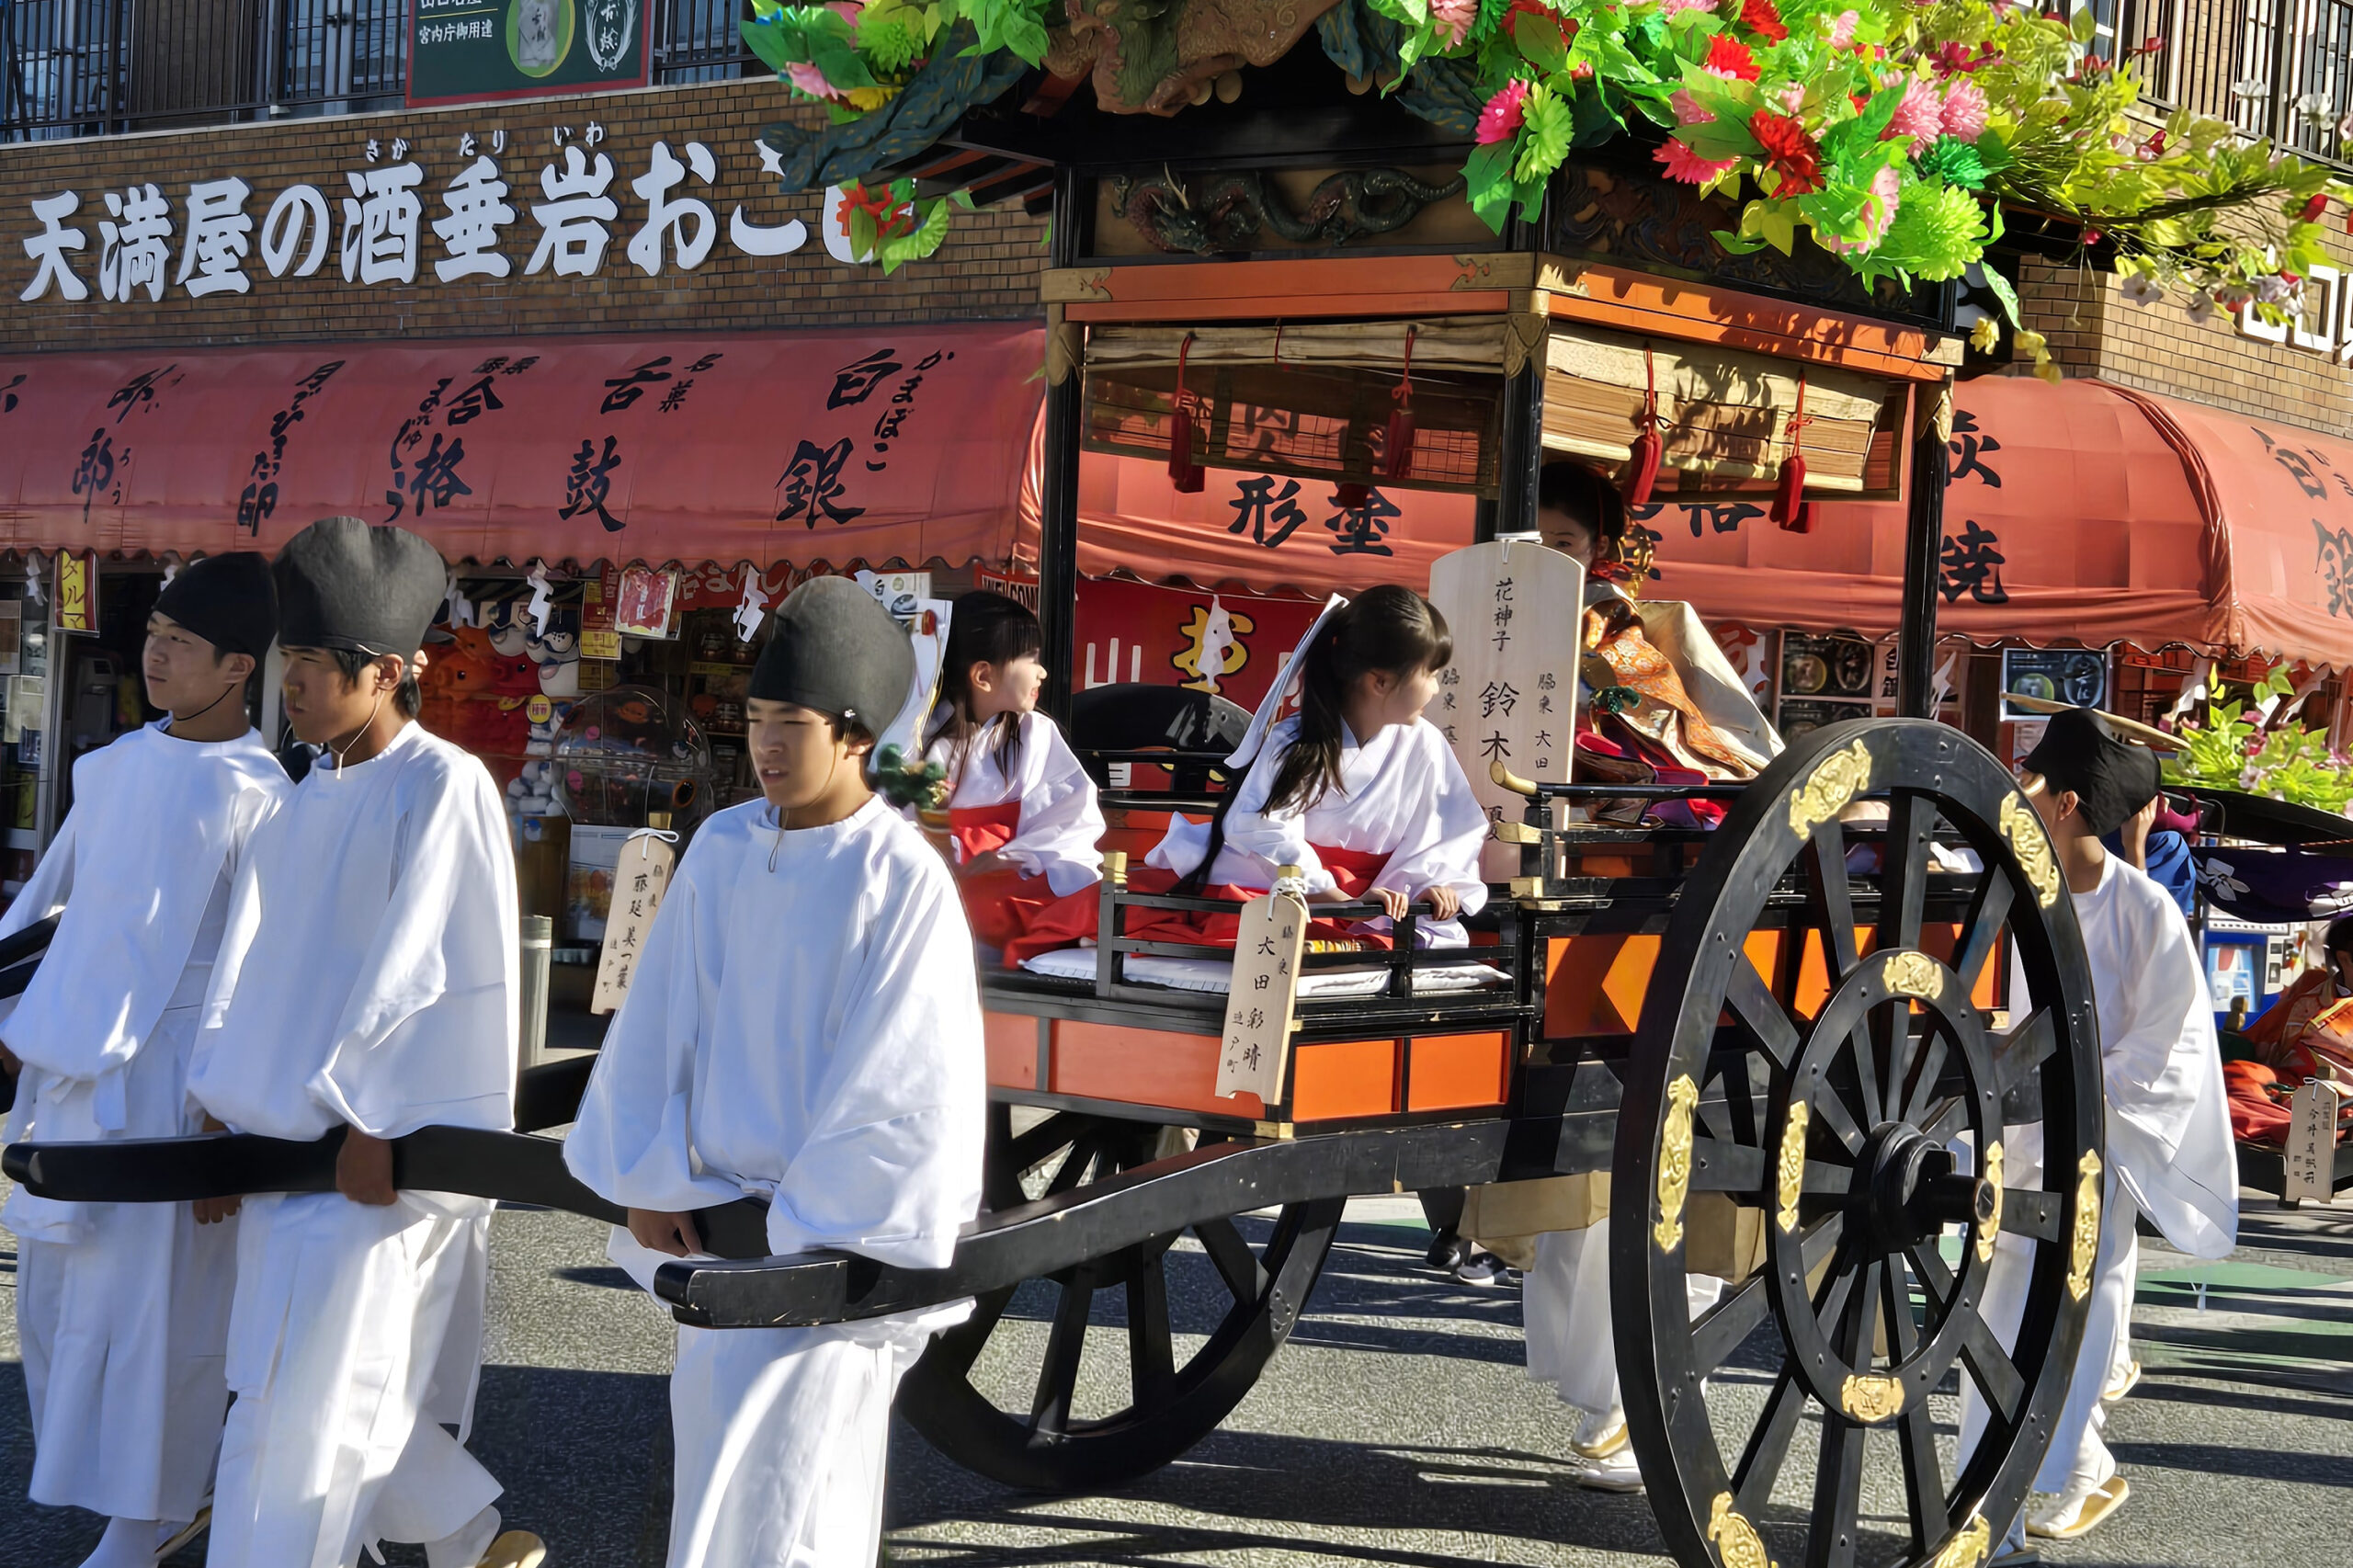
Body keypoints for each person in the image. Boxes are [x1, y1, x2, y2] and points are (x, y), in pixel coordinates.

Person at [564, 576, 986, 1568]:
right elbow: (660, 1021)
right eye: (755, 719)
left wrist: (807, 1229)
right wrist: (651, 1174)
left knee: (798, 1499)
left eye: (788, 722)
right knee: (712, 1478)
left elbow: (902, 1085)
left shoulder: (899, 875)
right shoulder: (720, 846)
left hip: (824, 1241)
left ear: (849, 734)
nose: (765, 744)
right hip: (715, 1220)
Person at [185, 518, 540, 1568]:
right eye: (287, 664)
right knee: (296, 1382)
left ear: (387, 670)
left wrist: (383, 1119)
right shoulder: (309, 794)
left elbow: (432, 975)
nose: (289, 686)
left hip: (371, 1154)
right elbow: (257, 967)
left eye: (309, 666)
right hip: (287, 1145)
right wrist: (221, 1099)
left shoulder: (442, 785)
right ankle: (478, 1542)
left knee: (309, 1411)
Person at [0, 555, 287, 1568]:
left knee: (160, 1307)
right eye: (154, 631)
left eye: (180, 642)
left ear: (238, 667)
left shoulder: (264, 792)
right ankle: (122, 1501)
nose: (155, 653)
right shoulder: (111, 765)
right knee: (61, 1297)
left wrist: (225, 1114)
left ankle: (147, 1515)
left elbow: (258, 962)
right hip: (71, 1069)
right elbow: (47, 909)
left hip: (175, 1079)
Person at [1963, 706, 2235, 1545]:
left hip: (2092, 1146)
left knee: (2073, 1316)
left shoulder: (2145, 911)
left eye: (2033, 784)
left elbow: (2174, 1046)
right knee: (1993, 1314)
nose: (2018, 795)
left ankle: (2008, 1499)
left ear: (2068, 804)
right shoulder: (2004, 891)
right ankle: (2009, 1493)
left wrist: (2067, 1090)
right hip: (2007, 1143)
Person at [1145, 585, 1487, 949]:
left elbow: (1449, 833)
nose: (1435, 689)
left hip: (1383, 897)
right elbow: (1261, 827)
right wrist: (1336, 899)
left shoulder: (1425, 743)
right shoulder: (1295, 741)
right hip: (1290, 887)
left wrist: (1432, 884)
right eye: (1430, 674)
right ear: (1380, 681)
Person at [1534, 460, 1778, 790]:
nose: (1548, 554)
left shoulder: (1603, 601)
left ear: (1599, 546)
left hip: (1586, 716)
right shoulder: (1508, 589)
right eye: (1535, 542)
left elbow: (1613, 658)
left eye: (1563, 544)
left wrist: (1594, 685)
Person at [919, 590, 1105, 964]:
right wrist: (950, 859)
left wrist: (1014, 855)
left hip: (1008, 879)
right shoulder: (919, 743)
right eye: (1031, 658)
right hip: (938, 881)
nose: (1043, 672)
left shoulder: (1036, 733)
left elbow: (1071, 821)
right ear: (983, 675)